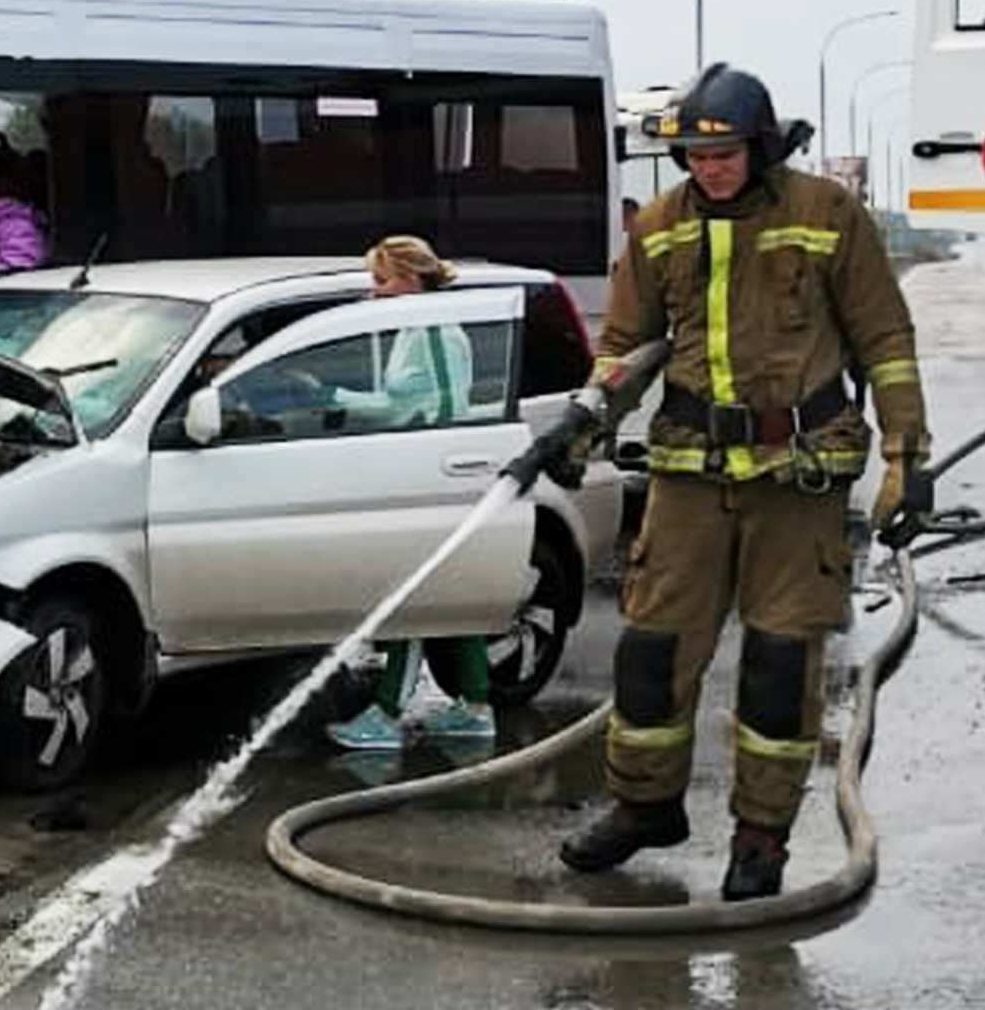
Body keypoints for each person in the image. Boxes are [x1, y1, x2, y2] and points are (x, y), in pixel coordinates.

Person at [557, 63, 931, 901]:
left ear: (760, 147)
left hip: (798, 477)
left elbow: (886, 340)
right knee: (651, 652)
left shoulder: (826, 215)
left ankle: (761, 839)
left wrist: (907, 458)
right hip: (690, 470)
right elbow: (623, 347)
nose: (708, 168)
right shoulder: (655, 228)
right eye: (694, 154)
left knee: (777, 663)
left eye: (724, 153)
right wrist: (584, 424)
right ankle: (643, 806)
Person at [324, 234, 499, 751]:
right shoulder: (418, 326)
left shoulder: (433, 328)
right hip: (431, 475)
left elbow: (432, 409)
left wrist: (330, 396)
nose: (375, 293)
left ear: (411, 278)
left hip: (433, 479)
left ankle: (389, 711)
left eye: (382, 281)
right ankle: (474, 705)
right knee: (448, 604)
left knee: (412, 604)